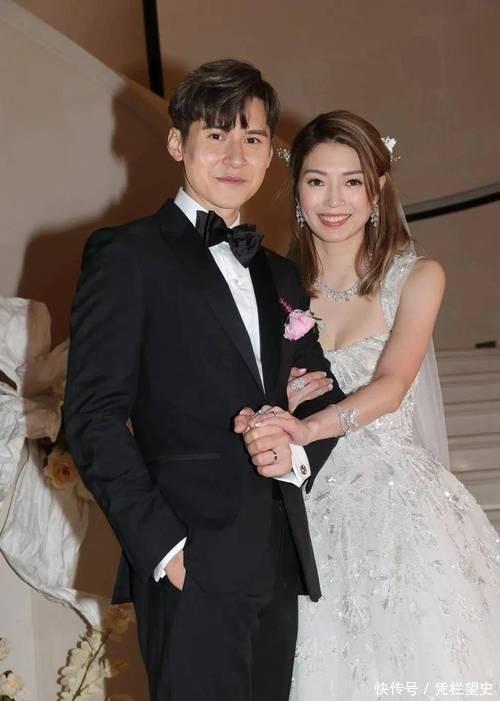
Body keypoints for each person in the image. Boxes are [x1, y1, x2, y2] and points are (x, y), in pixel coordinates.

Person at [63, 60, 345, 701]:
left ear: (269, 152)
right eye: (216, 134)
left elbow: (321, 394)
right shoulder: (126, 255)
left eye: (251, 138)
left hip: (278, 555)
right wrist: (164, 548)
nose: (234, 156)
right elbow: (93, 415)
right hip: (190, 555)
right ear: (176, 142)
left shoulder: (282, 274)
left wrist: (297, 452)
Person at [241, 111, 500, 698]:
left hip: (394, 505)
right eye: (317, 181)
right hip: (302, 505)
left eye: (352, 181)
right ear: (296, 190)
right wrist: (278, 403)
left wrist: (310, 426)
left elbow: (391, 383)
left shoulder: (417, 277)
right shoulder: (269, 286)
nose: (334, 200)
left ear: (376, 190)